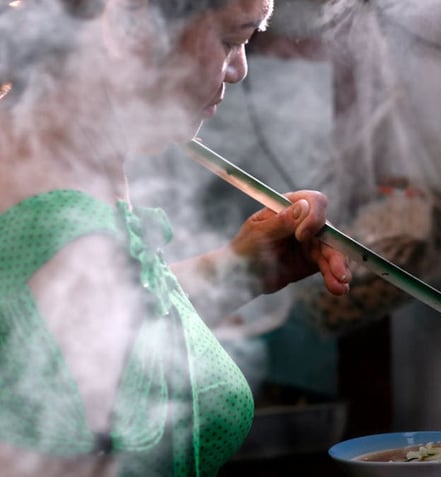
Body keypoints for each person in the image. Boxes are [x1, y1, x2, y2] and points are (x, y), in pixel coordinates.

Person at [0, 0, 351, 476]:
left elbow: (107, 335)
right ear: (130, 23)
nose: (238, 70)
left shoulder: (66, 157)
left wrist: (238, 269)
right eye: (231, 40)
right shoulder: (57, 224)